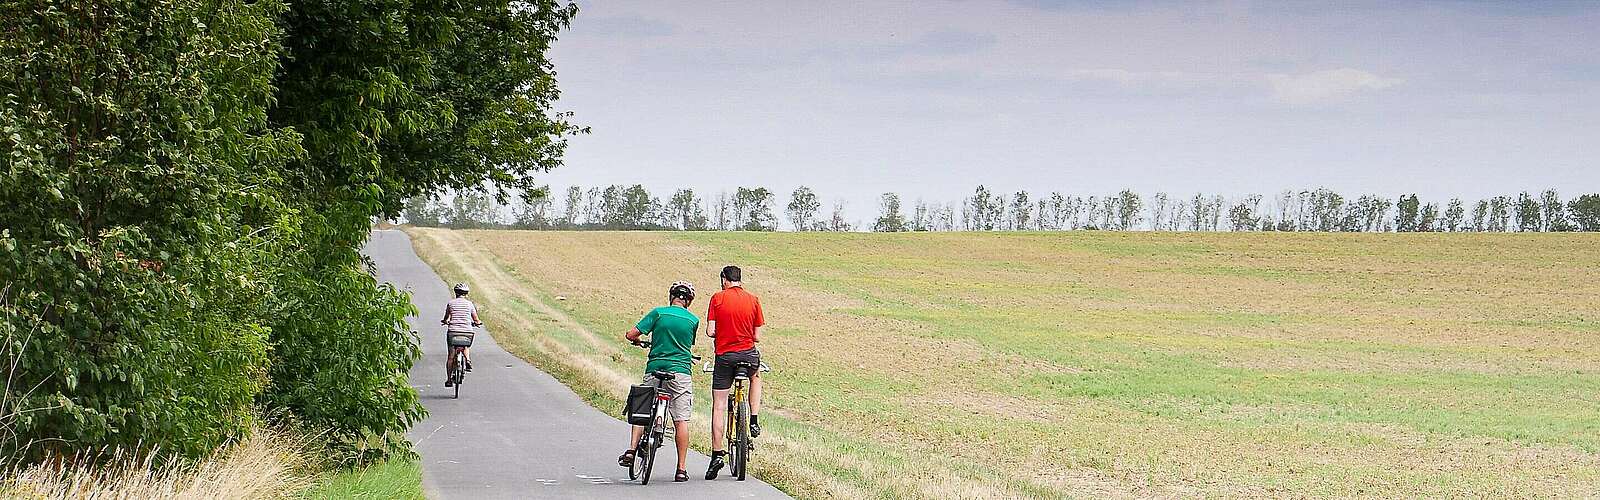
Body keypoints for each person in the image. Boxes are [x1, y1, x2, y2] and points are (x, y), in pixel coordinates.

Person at [618, 281, 700, 483]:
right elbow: (687, 344)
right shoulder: (693, 320)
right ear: (688, 301)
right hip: (680, 372)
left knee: (642, 408)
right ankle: (681, 469)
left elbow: (631, 334)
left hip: (655, 367)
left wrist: (637, 341)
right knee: (681, 420)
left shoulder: (658, 313)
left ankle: (631, 449)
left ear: (671, 296)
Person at [704, 265, 765, 480]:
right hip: (748, 355)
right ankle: (754, 418)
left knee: (719, 404)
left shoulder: (717, 298)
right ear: (740, 279)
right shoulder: (754, 299)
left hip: (725, 356)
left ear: (724, 279)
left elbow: (710, 331)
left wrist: (724, 332)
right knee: (756, 377)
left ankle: (716, 454)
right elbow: (757, 336)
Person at [440, 282, 481, 387]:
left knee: (450, 356)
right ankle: (467, 359)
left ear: (455, 292)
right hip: (467, 331)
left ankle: (449, 380)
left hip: (453, 331)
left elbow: (446, 317)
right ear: (466, 293)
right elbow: (476, 319)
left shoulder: (451, 303)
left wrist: (445, 321)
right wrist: (477, 323)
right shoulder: (470, 304)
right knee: (466, 345)